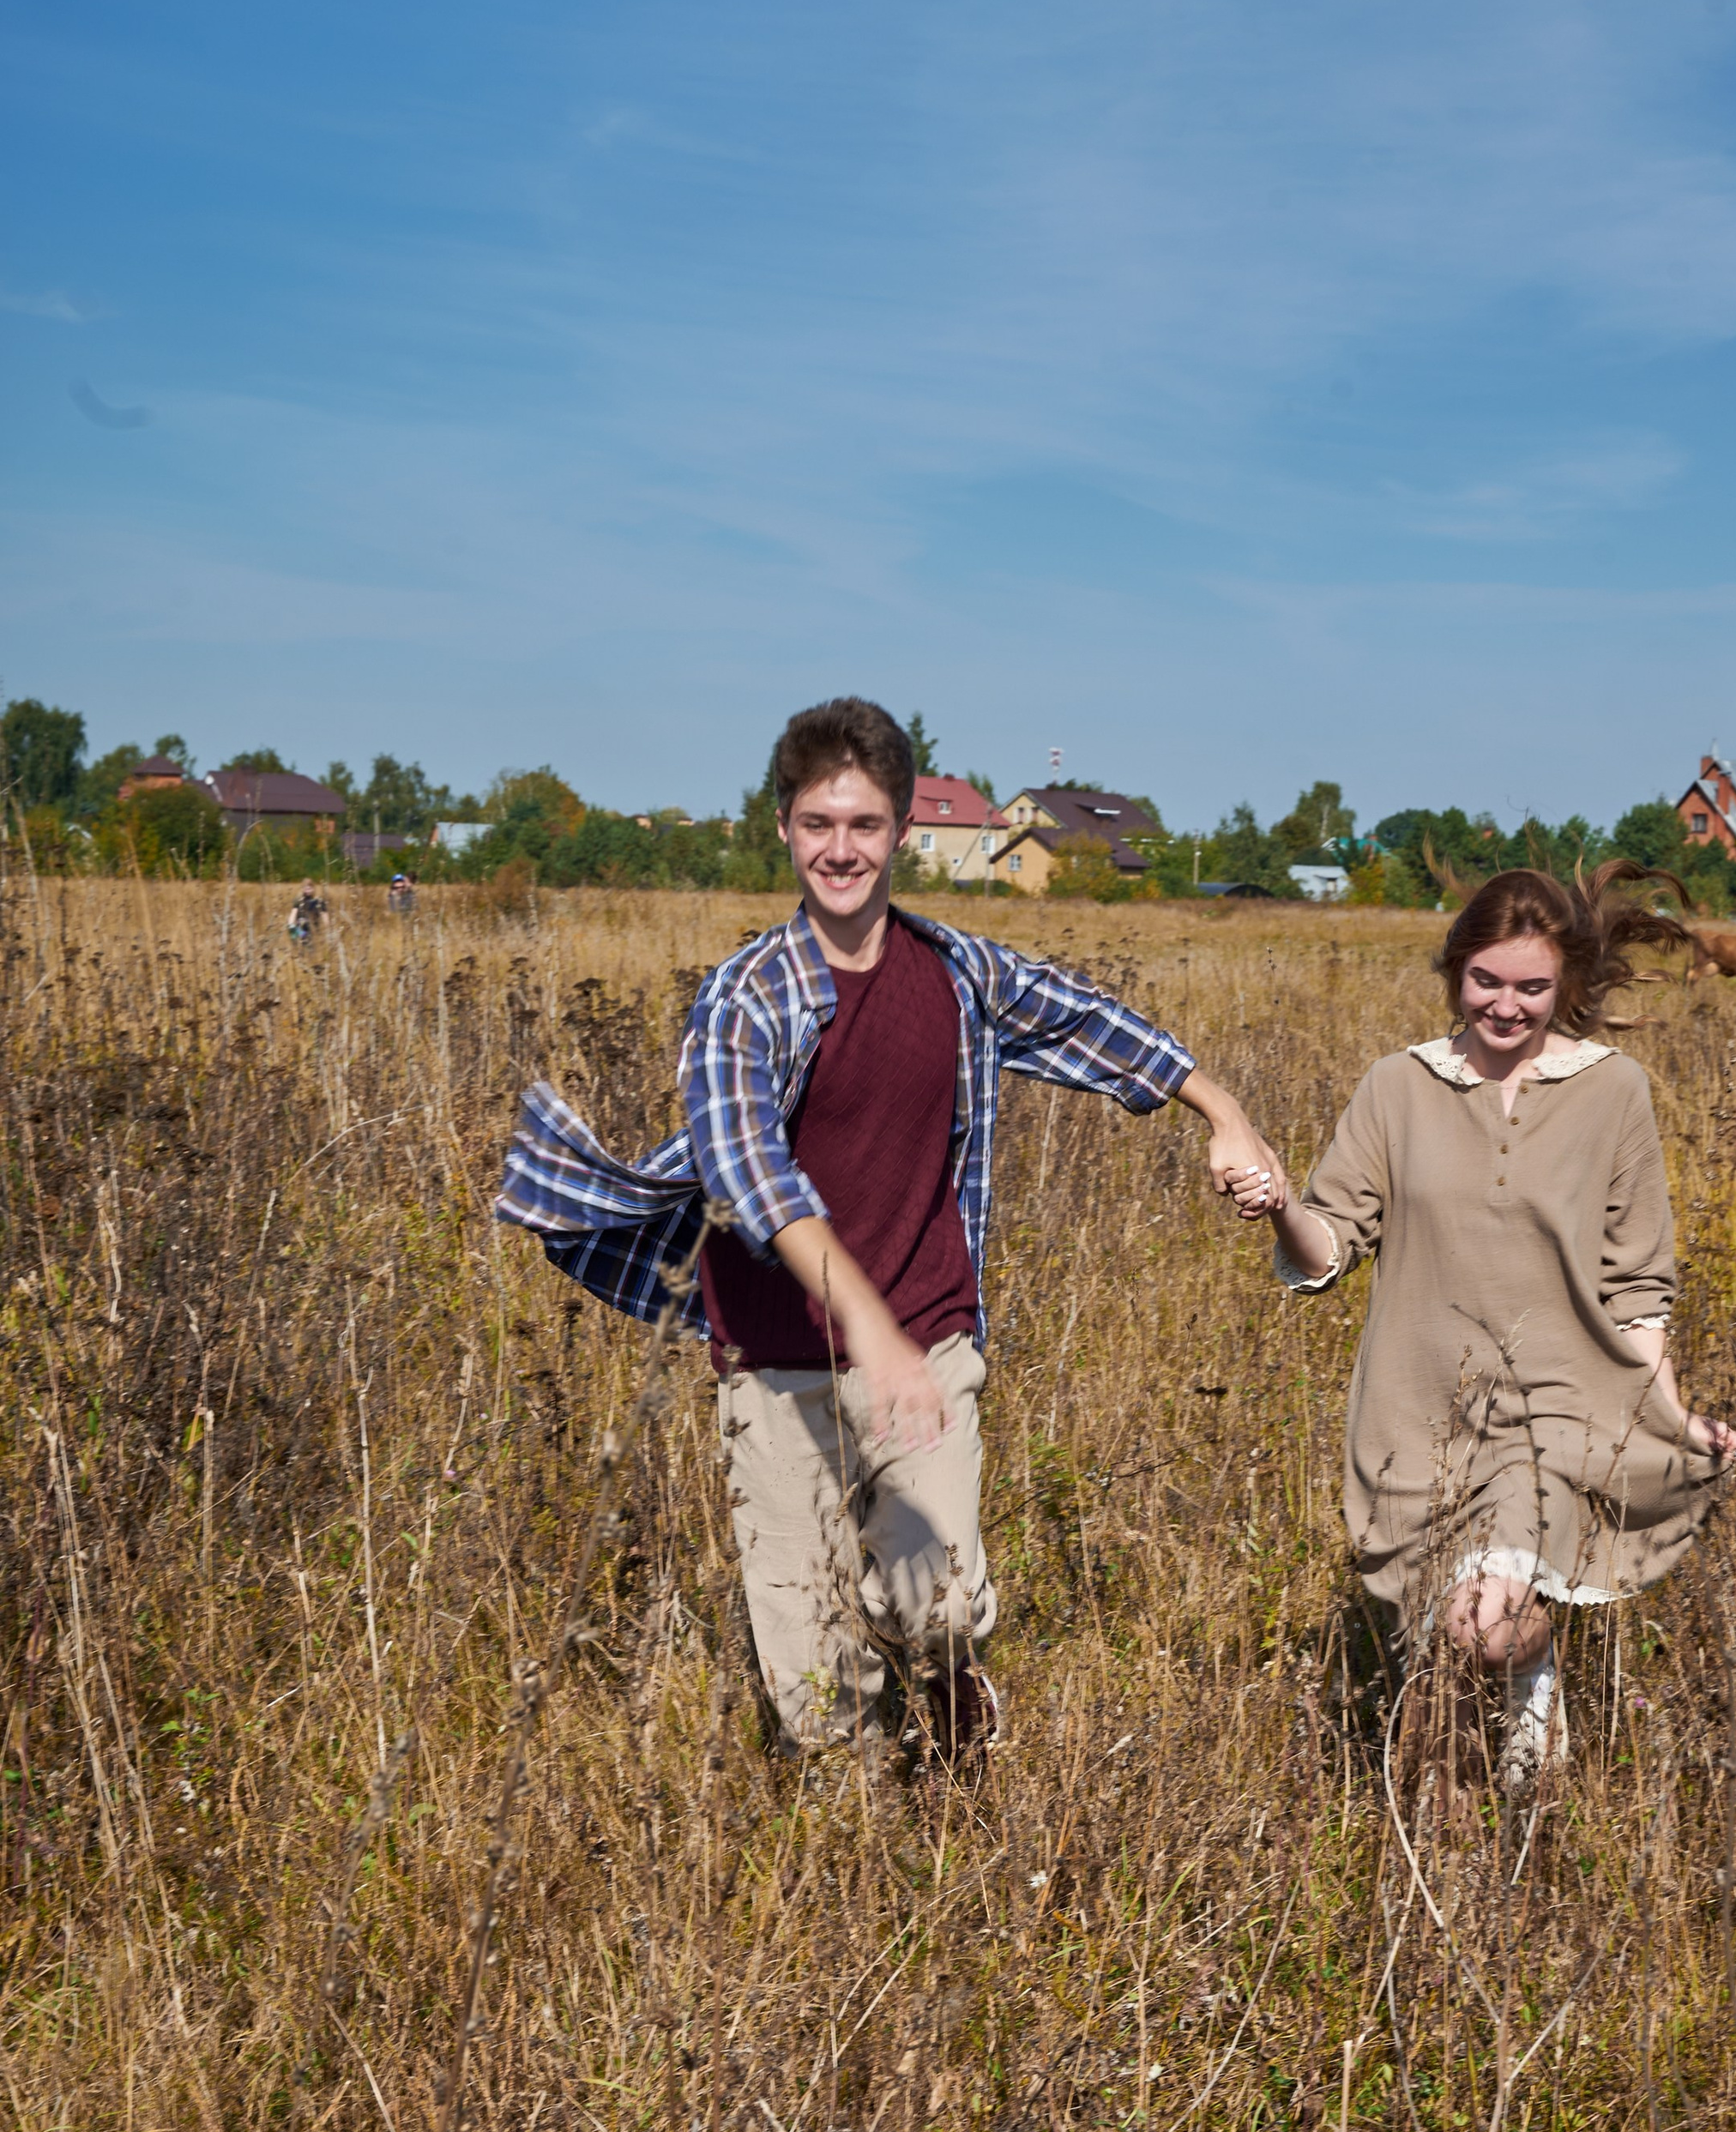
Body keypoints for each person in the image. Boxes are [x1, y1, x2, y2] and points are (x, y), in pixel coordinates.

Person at [497, 697, 1283, 1763]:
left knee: (941, 1606)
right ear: (781, 827)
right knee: (818, 1696)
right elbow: (750, 1176)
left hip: (929, 1336)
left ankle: (949, 1684)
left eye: (864, 825)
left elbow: (1092, 1020)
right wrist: (862, 1330)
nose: (840, 849)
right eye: (818, 823)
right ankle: (863, 1859)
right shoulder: (745, 998)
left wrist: (1224, 1115)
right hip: (774, 1364)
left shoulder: (956, 974)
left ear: (904, 833)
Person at [1245, 864, 1736, 1786]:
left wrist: (1671, 1419)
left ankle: (1528, 1708)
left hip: (1556, 1412)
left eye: (1531, 987)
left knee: (1483, 1623)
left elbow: (1637, 1285)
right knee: (1436, 1672)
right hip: (1417, 1418)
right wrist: (1280, 1204)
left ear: (1568, 987)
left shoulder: (1612, 1092)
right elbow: (1325, 1252)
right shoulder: (1396, 1087)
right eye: (1485, 981)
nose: (1504, 1007)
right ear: (1453, 971)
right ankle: (1470, 1834)